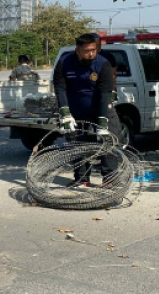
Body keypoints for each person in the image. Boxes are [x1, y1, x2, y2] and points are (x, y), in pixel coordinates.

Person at [52, 33, 123, 186]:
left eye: (93, 50)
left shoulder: (103, 64)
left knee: (108, 142)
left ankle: (109, 180)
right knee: (78, 144)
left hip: (101, 107)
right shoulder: (65, 62)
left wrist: (102, 121)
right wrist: (64, 112)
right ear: (78, 50)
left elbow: (105, 93)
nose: (91, 53)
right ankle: (82, 179)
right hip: (77, 110)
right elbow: (60, 88)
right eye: (87, 50)